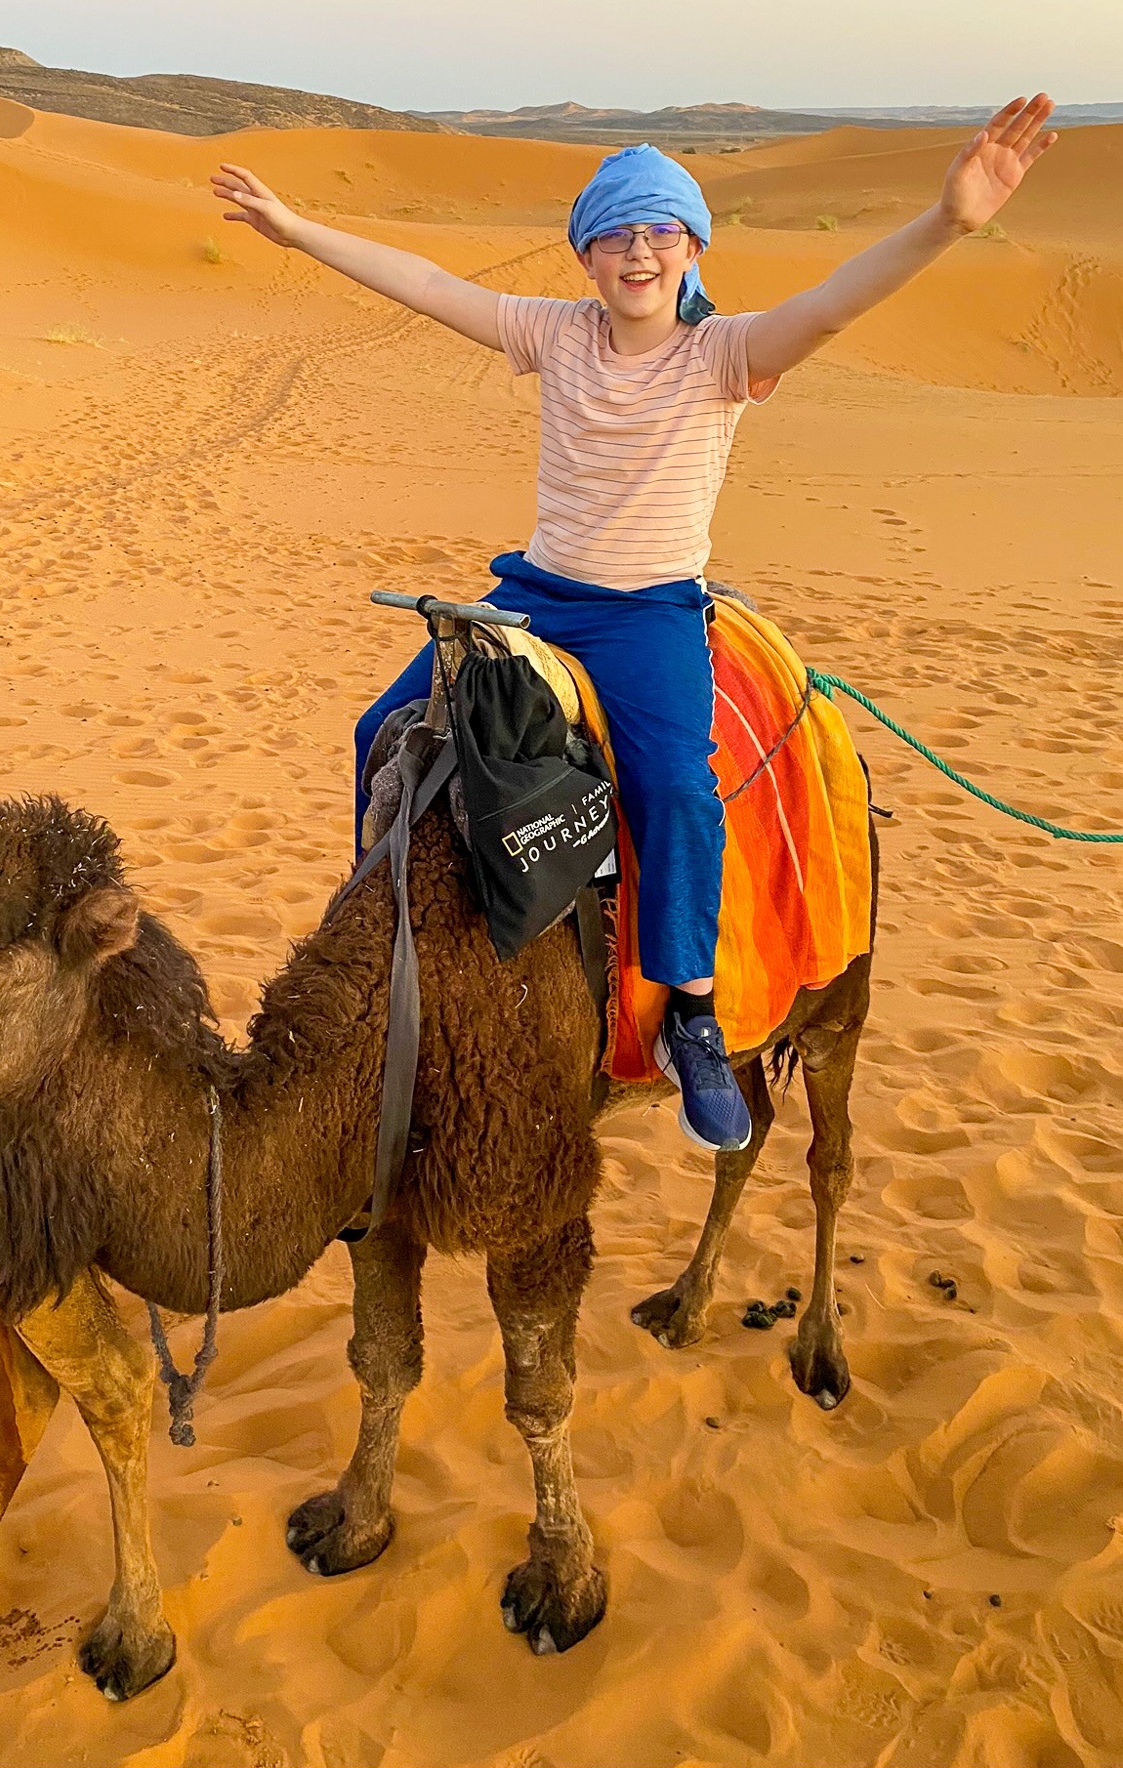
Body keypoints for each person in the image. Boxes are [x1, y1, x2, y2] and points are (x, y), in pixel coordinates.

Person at [211, 96, 1057, 1152]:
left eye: (661, 231)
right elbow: (428, 285)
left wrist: (948, 221)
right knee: (379, 730)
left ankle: (693, 1013)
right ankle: (382, 949)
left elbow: (836, 301)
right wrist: (298, 230)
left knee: (675, 789)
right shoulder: (555, 333)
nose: (638, 250)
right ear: (587, 256)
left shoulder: (726, 355)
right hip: (534, 593)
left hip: (649, 611)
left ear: (694, 249)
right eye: (615, 232)